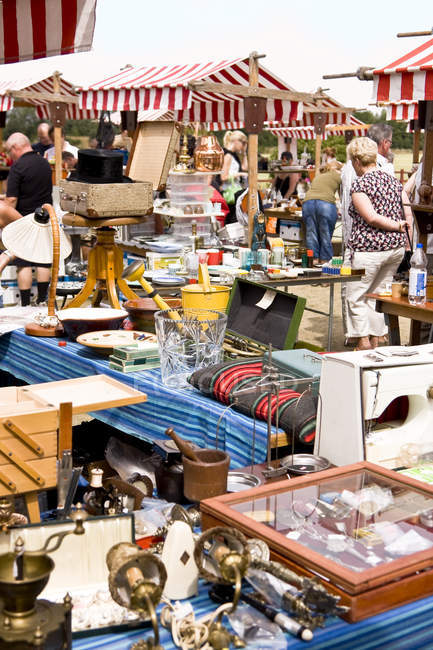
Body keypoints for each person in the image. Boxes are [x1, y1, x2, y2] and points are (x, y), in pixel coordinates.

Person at [344, 137, 412, 350]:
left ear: (356, 161)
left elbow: (371, 217)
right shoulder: (393, 181)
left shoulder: (361, 184)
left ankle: (363, 341)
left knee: (355, 296)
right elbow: (406, 210)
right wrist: (403, 230)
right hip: (395, 249)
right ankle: (377, 339)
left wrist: (396, 226)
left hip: (369, 249)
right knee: (377, 294)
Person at [0, 132, 53, 305]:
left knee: (23, 262)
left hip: (23, 221)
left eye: (10, 151)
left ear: (16, 147)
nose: (10, 155)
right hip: (44, 219)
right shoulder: (44, 163)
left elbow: (12, 200)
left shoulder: (18, 166)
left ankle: (24, 304)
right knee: (43, 260)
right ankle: (43, 300)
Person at [301, 161, 342, 263]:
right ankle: (325, 261)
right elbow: (343, 195)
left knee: (311, 234)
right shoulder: (338, 175)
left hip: (308, 203)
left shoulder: (319, 176)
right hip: (325, 204)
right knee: (325, 234)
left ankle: (313, 260)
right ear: (336, 169)